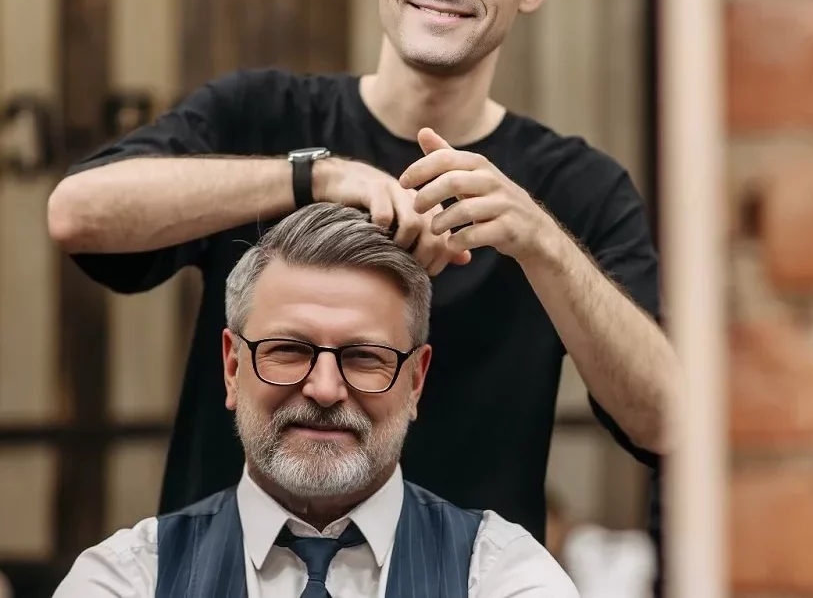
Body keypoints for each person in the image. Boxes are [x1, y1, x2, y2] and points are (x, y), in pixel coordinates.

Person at [46, 0, 681, 544]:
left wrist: (538, 241)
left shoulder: (579, 187)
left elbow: (670, 421)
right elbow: (77, 214)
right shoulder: (262, 116)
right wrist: (315, 177)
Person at [53, 203, 579, 598]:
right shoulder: (128, 578)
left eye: (364, 356)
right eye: (287, 350)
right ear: (232, 367)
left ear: (416, 381)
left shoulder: (499, 574)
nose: (325, 389)